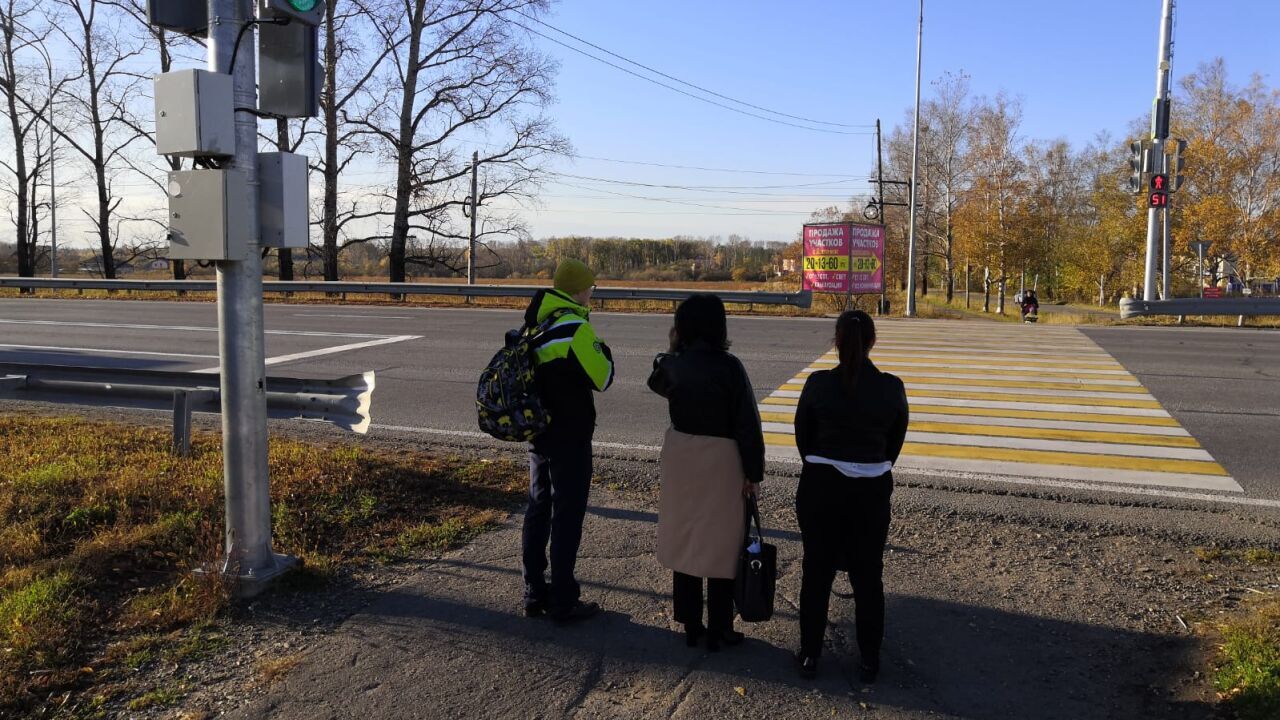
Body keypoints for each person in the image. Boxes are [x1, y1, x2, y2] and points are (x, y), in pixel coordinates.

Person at [793, 310, 908, 682]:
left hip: (820, 487)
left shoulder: (817, 384)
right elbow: (894, 444)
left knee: (817, 571)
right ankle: (869, 660)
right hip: (870, 491)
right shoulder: (892, 386)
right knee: (868, 576)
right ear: (872, 342)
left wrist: (825, 464)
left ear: (836, 342)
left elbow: (803, 437)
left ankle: (810, 654)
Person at [647, 294, 765, 651]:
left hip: (682, 454)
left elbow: (657, 381)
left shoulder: (671, 363)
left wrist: (674, 345)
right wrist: (753, 471)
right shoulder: (730, 367)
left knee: (686, 534)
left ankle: (690, 623)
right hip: (722, 458)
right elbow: (748, 424)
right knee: (722, 542)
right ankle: (720, 626)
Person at [521, 258, 615, 623]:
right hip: (570, 435)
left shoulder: (536, 322)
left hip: (537, 430)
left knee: (538, 508)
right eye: (591, 286)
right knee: (567, 514)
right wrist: (601, 348)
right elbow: (604, 377)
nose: (593, 292)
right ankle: (562, 599)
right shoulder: (576, 328)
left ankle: (534, 593)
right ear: (579, 289)